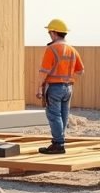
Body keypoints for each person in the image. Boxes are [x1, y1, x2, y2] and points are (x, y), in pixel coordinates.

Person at [35, 18, 85, 155]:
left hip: (55, 88)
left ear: (54, 33)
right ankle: (60, 142)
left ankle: (58, 144)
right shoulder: (72, 50)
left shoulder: (51, 49)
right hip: (68, 88)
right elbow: (80, 71)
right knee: (63, 115)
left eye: (49, 32)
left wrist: (39, 87)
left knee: (53, 115)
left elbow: (43, 71)